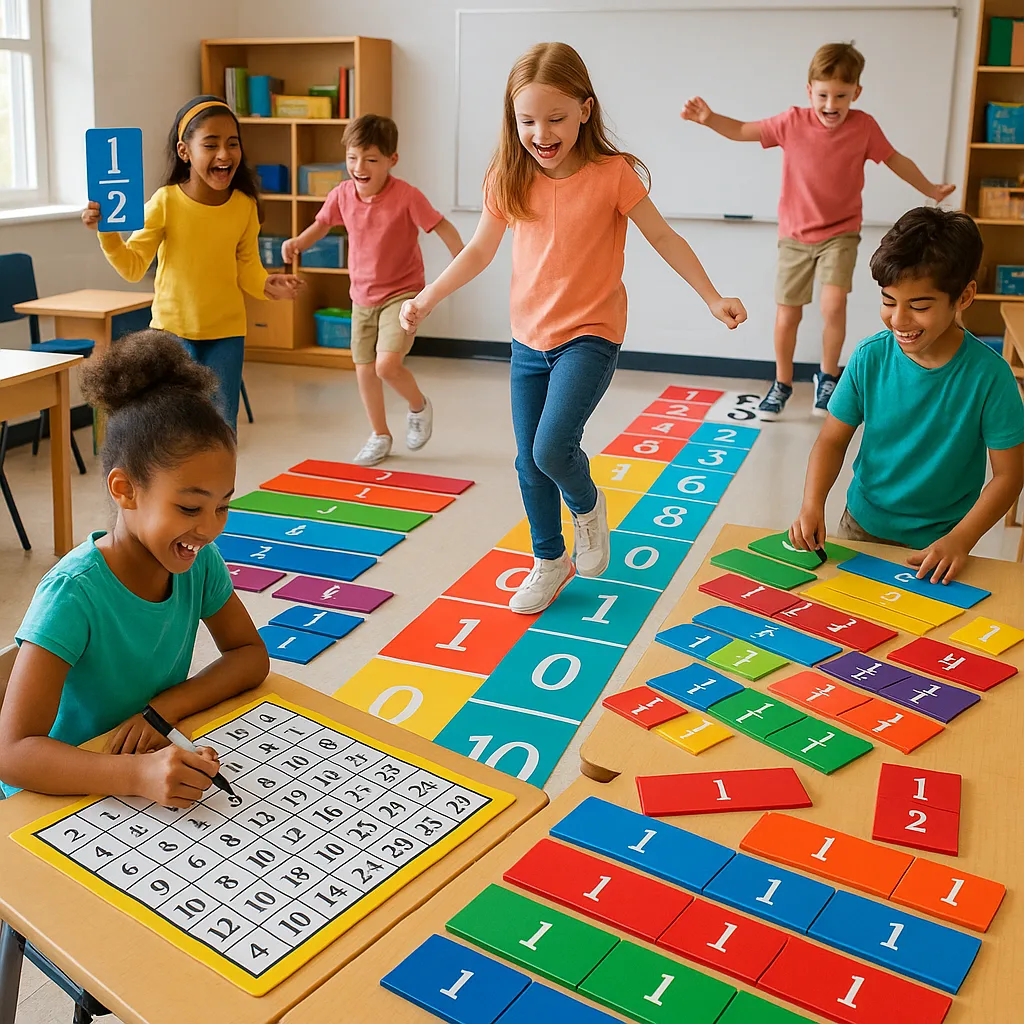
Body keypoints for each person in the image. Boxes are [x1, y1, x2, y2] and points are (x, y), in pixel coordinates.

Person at [400, 42, 746, 614]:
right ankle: (548, 559)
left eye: (555, 118)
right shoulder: (508, 176)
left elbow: (663, 237)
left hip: (591, 333)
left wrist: (710, 296)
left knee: (552, 448)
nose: (541, 133)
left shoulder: (614, 174)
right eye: (527, 120)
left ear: (585, 110)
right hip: (528, 340)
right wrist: (430, 296)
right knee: (526, 459)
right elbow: (480, 250)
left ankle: (587, 508)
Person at [0, 332, 269, 804]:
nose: (209, 530)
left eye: (222, 507)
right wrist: (136, 775)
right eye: (189, 508)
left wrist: (161, 710)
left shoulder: (198, 563)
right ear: (124, 490)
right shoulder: (74, 592)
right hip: (52, 796)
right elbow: (14, 753)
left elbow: (250, 654)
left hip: (131, 787)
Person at [682, 43, 955, 421]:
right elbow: (744, 130)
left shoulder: (864, 127)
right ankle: (782, 383)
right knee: (787, 314)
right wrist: (710, 118)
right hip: (795, 236)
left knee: (832, 304)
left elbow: (895, 160)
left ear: (856, 94)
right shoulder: (792, 122)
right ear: (809, 90)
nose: (831, 104)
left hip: (840, 234)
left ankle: (827, 377)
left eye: (841, 96)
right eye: (823, 94)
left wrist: (930, 188)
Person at [789, 207, 1024, 582]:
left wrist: (960, 539)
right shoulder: (870, 357)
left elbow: (1008, 476)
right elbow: (832, 440)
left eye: (919, 306)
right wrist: (812, 502)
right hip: (860, 525)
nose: (899, 320)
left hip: (941, 544)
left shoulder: (991, 377)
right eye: (888, 301)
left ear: (964, 296)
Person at [83, 95, 303, 432]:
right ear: (185, 152)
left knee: (221, 427)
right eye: (211, 144)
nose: (224, 154)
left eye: (233, 144)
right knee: (174, 430)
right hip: (171, 334)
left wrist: (265, 283)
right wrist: (107, 234)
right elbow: (132, 267)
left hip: (226, 334)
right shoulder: (165, 202)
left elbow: (248, 267)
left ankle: (222, 487)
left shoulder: (244, 206)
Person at [283, 115, 464, 466]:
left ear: (391, 160)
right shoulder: (342, 195)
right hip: (361, 295)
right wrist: (297, 243)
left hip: (402, 294)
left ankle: (418, 406)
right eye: (352, 158)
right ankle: (380, 434)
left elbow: (441, 226)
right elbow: (321, 224)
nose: (359, 167)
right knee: (364, 368)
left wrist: (462, 260)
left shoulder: (407, 196)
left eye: (370, 159)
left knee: (386, 365)